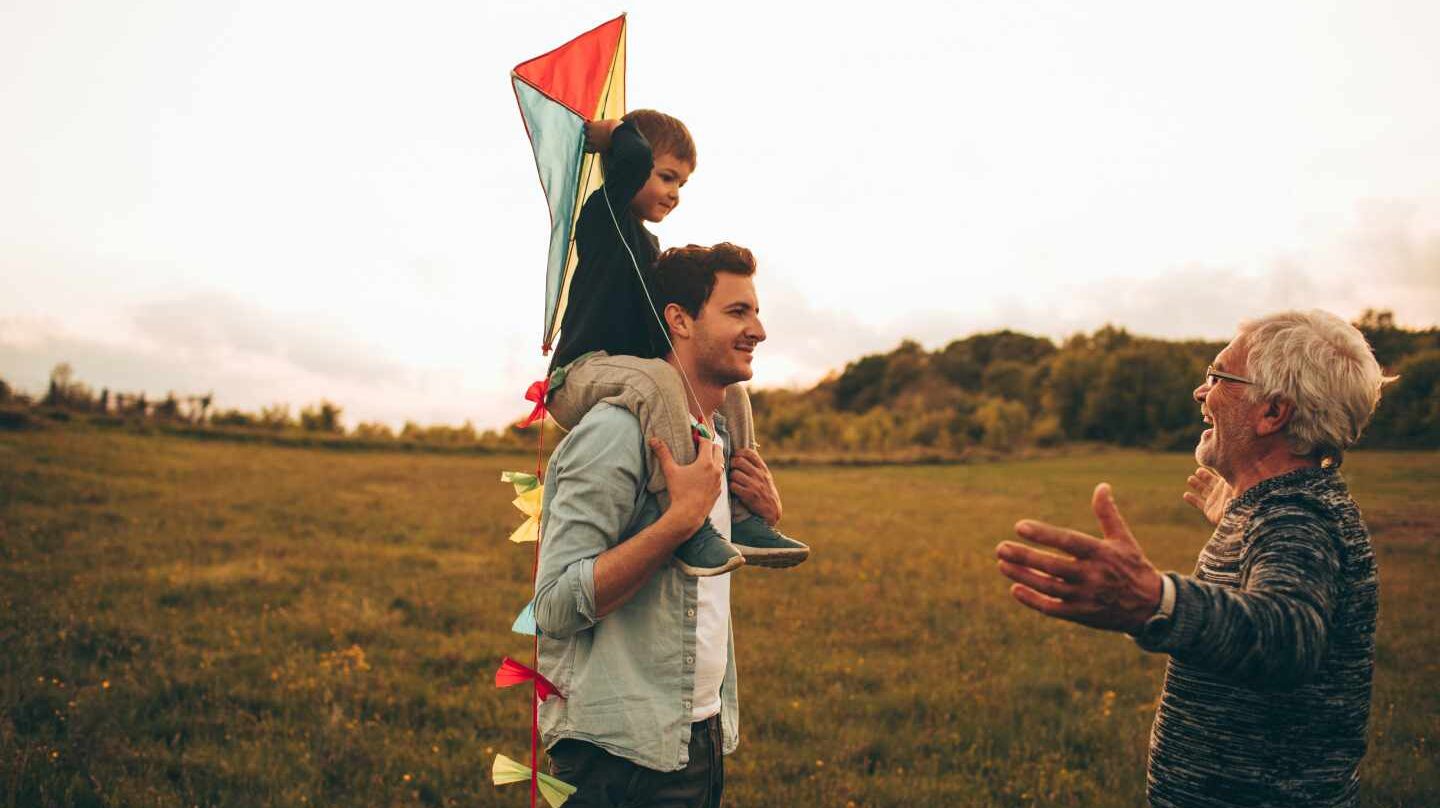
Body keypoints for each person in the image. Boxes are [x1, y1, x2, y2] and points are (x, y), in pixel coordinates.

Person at [994, 309, 1391, 807]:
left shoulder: (1297, 515)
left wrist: (1154, 600)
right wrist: (1241, 518)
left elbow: (1288, 635)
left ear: (1272, 413)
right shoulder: (1281, 508)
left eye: (1218, 376)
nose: (1201, 393)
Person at [535, 243, 785, 807]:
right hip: (615, 759)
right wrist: (679, 522)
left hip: (699, 736)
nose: (759, 330)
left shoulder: (720, 439)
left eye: (756, 312)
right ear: (679, 320)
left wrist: (757, 516)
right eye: (737, 312)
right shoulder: (615, 434)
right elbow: (552, 606)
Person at [545, 108, 808, 577]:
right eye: (667, 177)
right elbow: (632, 154)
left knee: (734, 395)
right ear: (627, 165)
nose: (675, 194)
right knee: (658, 378)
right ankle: (686, 520)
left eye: (683, 184)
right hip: (580, 373)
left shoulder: (648, 249)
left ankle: (744, 516)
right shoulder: (604, 218)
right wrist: (614, 135)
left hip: (630, 370)